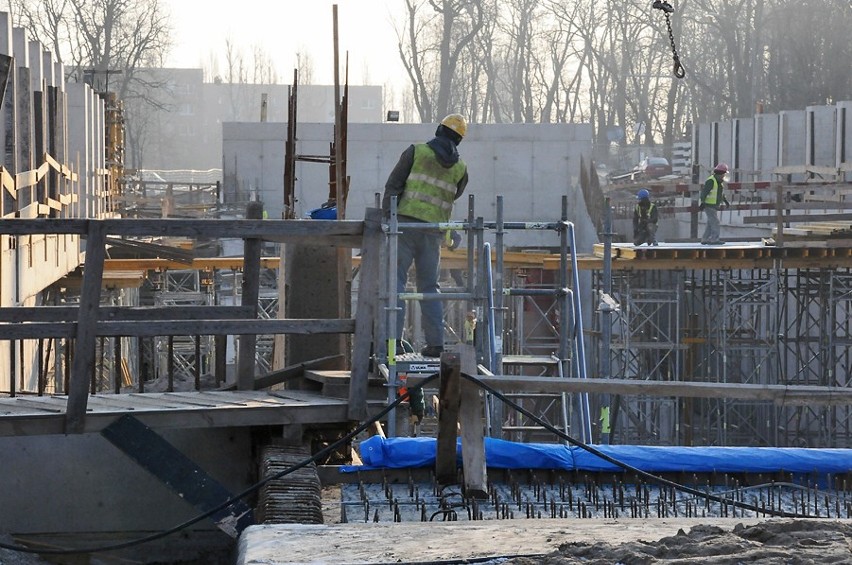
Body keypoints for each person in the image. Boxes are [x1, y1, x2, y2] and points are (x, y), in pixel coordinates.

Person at [382, 113, 469, 360]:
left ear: (439, 130)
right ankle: (436, 345)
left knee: (395, 283)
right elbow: (453, 197)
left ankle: (393, 342)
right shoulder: (461, 169)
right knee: (430, 287)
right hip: (433, 232)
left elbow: (393, 186)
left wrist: (387, 219)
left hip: (405, 227)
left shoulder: (416, 152)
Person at [699, 163, 730, 245]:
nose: (724, 176)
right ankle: (714, 239)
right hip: (709, 206)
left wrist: (725, 201)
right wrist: (703, 202)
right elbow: (704, 193)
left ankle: (705, 239)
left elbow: (720, 194)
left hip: (713, 206)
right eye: (724, 174)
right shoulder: (711, 181)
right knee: (715, 222)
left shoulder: (719, 182)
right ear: (720, 173)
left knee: (710, 223)